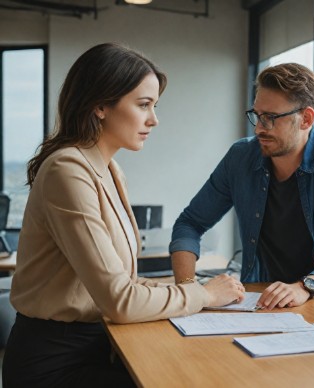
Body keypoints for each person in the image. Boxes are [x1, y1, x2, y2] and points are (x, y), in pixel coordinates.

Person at [2, 43, 245, 388]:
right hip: (54, 365)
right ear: (100, 105)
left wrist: (196, 292)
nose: (153, 119)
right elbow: (120, 300)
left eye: (154, 106)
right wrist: (202, 295)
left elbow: (123, 282)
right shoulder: (67, 169)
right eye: (143, 105)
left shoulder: (110, 169)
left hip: (100, 343)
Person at [170, 63, 314, 310]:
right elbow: (190, 222)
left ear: (306, 118)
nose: (258, 127)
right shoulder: (240, 157)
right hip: (257, 299)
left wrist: (305, 286)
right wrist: (188, 289)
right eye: (257, 115)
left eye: (270, 118)